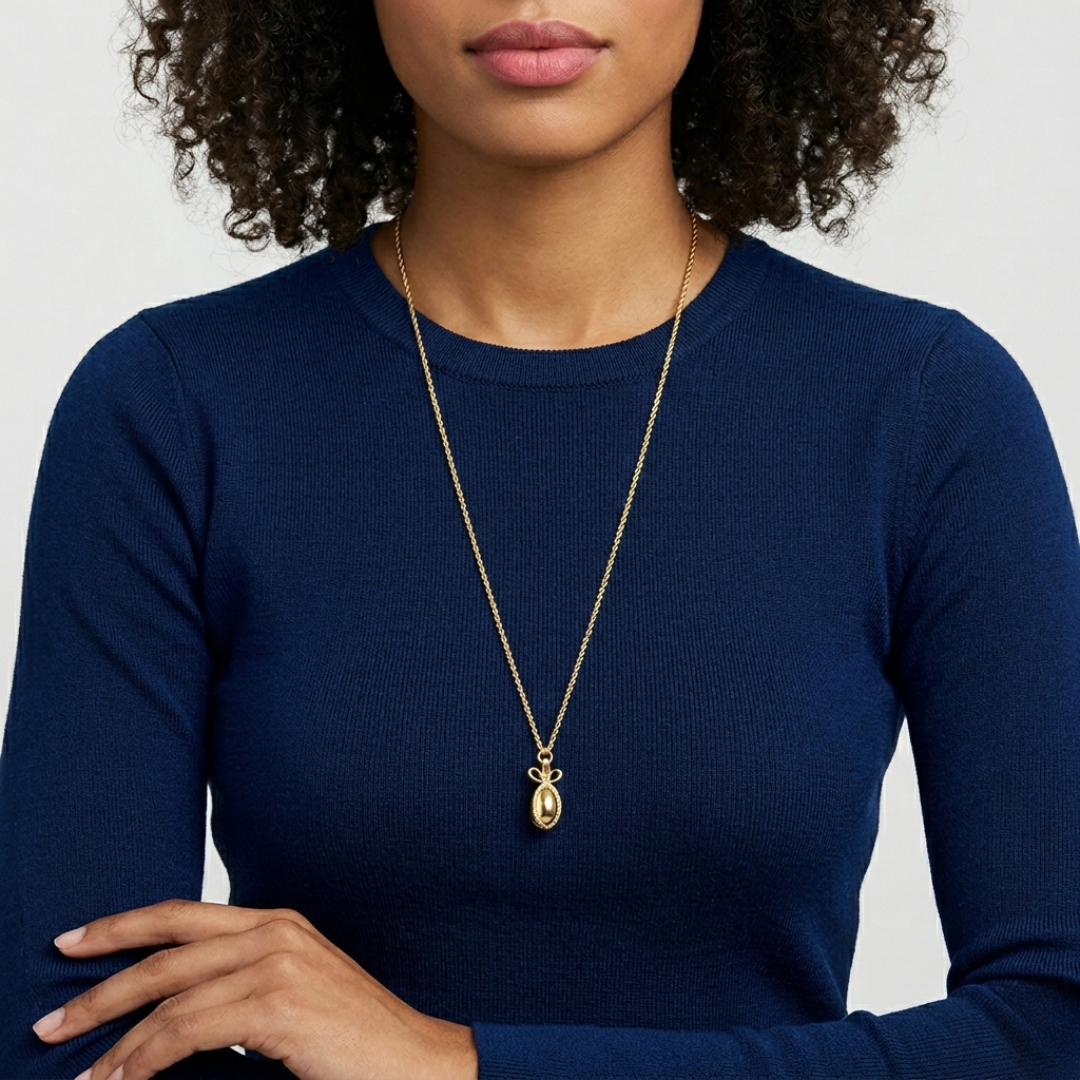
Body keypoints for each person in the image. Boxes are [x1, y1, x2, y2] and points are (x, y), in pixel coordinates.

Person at [1, 0, 1078, 1076]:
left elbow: (1054, 1024)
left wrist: (454, 1064)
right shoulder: (172, 409)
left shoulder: (928, 412)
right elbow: (66, 1040)